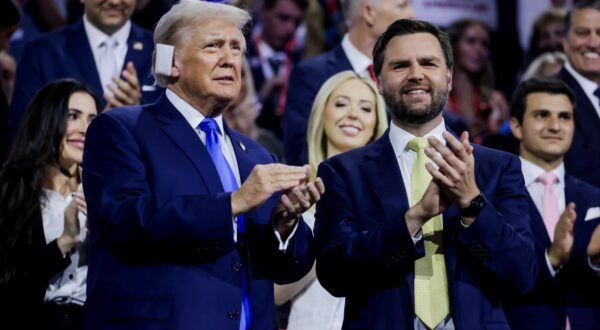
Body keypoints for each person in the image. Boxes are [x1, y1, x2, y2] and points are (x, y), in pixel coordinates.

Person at [81, 1, 324, 329]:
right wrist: (233, 203)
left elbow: (285, 269)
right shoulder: (122, 129)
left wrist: (284, 225)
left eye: (236, 48)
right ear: (172, 62)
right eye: (213, 46)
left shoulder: (257, 155)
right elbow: (123, 222)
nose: (230, 59)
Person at [314, 19, 538, 329]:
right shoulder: (342, 172)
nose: (416, 74)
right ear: (378, 81)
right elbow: (334, 274)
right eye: (400, 65)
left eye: (428, 63)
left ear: (448, 77)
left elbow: (523, 274)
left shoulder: (498, 167)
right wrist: (413, 219)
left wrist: (472, 203)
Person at [274, 70, 388, 329]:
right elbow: (275, 293)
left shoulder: (390, 203)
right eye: (340, 104)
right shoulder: (293, 198)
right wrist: (331, 242)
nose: (353, 115)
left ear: (376, 124)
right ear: (321, 115)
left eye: (366, 108)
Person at [0, 79, 97, 329]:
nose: (85, 129)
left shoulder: (105, 190)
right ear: (48, 119)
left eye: (92, 120)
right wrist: (63, 242)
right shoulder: (12, 191)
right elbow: (9, 282)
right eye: (73, 116)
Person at [505, 78, 600, 330]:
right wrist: (551, 258)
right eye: (542, 115)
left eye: (565, 117)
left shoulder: (594, 199)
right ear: (516, 126)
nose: (555, 126)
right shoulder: (493, 196)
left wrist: (595, 261)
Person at [282, 0, 415, 165]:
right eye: (402, 6)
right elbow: (299, 153)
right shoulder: (312, 74)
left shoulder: (405, 75)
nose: (412, 15)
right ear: (369, 13)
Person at [9, 0, 161, 139]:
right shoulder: (42, 52)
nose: (114, 2)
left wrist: (138, 111)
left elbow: (173, 132)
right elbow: (21, 132)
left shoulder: (160, 52)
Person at [246, 0, 308, 137]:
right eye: (283, 18)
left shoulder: (302, 61)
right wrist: (261, 96)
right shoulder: (240, 52)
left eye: (297, 22)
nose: (291, 28)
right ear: (263, 12)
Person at [558, 0, 600, 188]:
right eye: (583, 33)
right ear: (565, 42)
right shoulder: (547, 94)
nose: (593, 43)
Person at [447, 19, 509, 144]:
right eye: (471, 41)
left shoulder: (496, 101)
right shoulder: (441, 97)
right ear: (454, 45)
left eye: (484, 44)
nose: (478, 49)